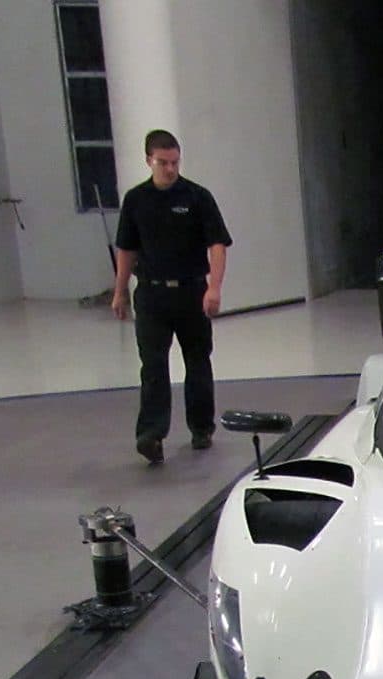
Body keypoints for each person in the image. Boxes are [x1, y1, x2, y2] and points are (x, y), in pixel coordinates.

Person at [111, 129, 232, 465]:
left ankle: (201, 427)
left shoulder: (197, 197)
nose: (170, 169)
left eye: (175, 162)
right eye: (163, 162)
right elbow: (127, 249)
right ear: (148, 160)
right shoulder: (136, 200)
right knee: (152, 365)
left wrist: (214, 287)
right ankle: (151, 434)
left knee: (197, 360)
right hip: (151, 293)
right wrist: (120, 291)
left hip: (191, 291)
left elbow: (217, 244)